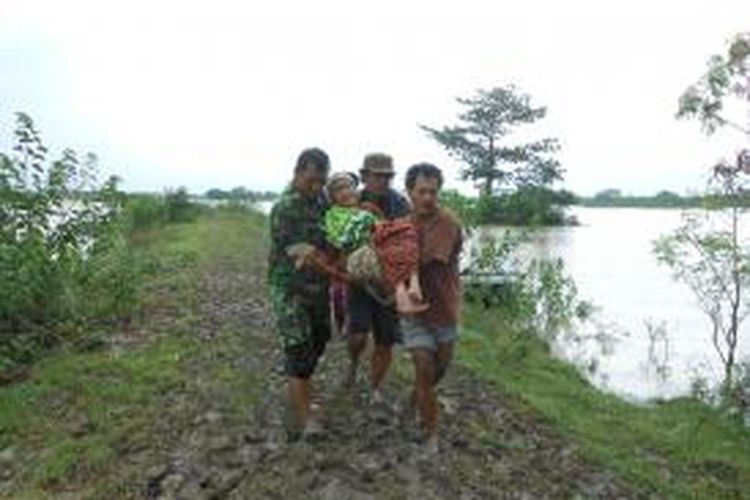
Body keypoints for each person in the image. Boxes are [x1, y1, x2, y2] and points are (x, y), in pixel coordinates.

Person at [267, 147, 333, 438]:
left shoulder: (323, 200)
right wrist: (334, 263)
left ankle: (300, 385)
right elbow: (296, 250)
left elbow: (334, 232)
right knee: (300, 351)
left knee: (320, 339)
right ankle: (307, 420)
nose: (316, 187)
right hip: (289, 288)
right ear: (297, 174)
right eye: (311, 180)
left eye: (321, 180)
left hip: (318, 288)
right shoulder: (284, 207)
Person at [402, 162, 463, 454]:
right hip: (413, 313)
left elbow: (426, 259)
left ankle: (416, 398)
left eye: (433, 191)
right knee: (425, 370)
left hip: (444, 310)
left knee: (437, 373)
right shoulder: (402, 225)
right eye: (422, 191)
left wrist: (396, 257)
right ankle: (431, 434)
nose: (428, 197)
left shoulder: (447, 222)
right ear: (409, 192)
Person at [345, 153, 411, 403]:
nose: (383, 180)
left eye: (388, 176)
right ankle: (353, 362)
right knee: (358, 335)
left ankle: (375, 387)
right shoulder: (350, 199)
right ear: (364, 176)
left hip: (388, 282)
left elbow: (407, 240)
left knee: (386, 340)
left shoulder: (400, 204)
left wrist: (380, 222)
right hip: (359, 280)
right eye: (378, 175)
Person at [323, 172, 426, 315]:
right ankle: (403, 295)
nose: (346, 192)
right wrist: (368, 230)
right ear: (332, 197)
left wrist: (383, 228)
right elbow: (341, 240)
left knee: (406, 233)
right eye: (339, 189)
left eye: (349, 187)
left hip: (373, 251)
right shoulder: (333, 215)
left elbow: (381, 225)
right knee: (389, 249)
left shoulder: (365, 209)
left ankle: (412, 285)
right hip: (355, 258)